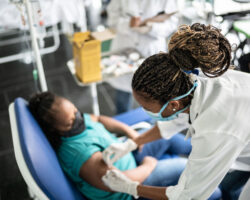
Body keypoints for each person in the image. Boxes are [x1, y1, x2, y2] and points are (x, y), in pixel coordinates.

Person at [102, 23, 250, 200]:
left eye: (147, 108)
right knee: (228, 185)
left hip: (234, 133)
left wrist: (131, 187)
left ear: (173, 104)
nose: (144, 111)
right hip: (240, 135)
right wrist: (133, 142)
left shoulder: (215, 130)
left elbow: (187, 195)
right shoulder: (190, 78)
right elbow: (178, 118)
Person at [28, 92, 194, 200]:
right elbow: (116, 182)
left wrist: (132, 135)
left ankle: (200, 150)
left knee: (168, 138)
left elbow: (99, 119)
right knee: (184, 167)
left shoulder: (75, 119)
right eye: (70, 121)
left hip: (126, 156)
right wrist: (148, 166)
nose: (77, 118)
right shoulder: (79, 153)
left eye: (74, 111)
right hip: (130, 188)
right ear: (54, 129)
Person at [106, 0, 178, 114]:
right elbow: (112, 19)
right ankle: (123, 125)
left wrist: (151, 28)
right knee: (123, 95)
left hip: (150, 48)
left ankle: (149, 124)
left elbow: (171, 24)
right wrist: (128, 24)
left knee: (153, 96)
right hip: (125, 46)